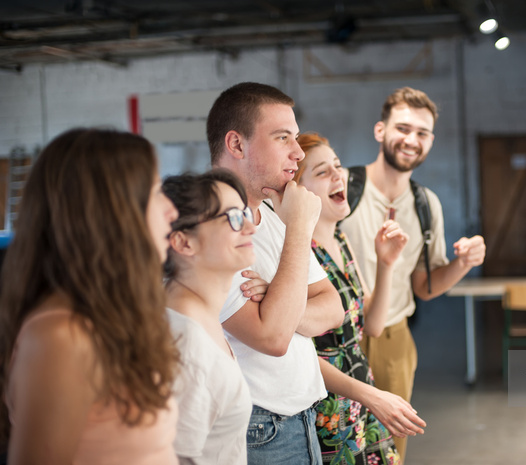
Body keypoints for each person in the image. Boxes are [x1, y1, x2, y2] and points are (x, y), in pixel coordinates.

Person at [0, 128, 180, 464]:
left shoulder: (111, 315)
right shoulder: (61, 336)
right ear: (110, 214)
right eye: (157, 192)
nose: (171, 210)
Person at [341, 87, 487, 459]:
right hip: (336, 336)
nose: (411, 140)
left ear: (431, 141)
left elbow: (424, 286)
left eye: (422, 133)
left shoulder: (426, 204)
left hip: (394, 338)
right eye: (403, 128)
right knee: (335, 443)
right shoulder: (342, 188)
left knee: (389, 448)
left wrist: (463, 263)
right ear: (380, 130)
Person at [207, 82, 345, 465]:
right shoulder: (211, 224)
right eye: (283, 137)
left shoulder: (270, 213)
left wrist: (278, 303)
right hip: (257, 428)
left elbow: (334, 308)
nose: (298, 153)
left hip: (300, 418)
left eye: (296, 138)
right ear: (236, 145)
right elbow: (272, 336)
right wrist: (300, 228)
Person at [294, 132, 422, 465]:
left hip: (361, 396)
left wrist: (386, 263)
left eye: (337, 165)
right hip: (329, 411)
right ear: (298, 191)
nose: (339, 175)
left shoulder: (341, 239)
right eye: (322, 172)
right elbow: (298, 353)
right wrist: (370, 395)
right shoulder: (297, 255)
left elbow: (373, 325)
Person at [162, 170, 267, 464]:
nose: (251, 227)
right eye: (233, 217)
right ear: (184, 243)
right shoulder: (186, 345)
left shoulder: (196, 319)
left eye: (245, 213)